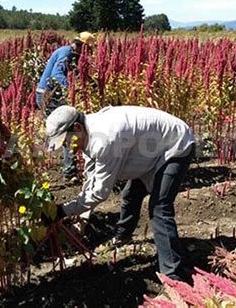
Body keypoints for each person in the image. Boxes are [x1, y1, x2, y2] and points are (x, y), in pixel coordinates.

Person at [45, 105, 196, 282]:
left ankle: (173, 275)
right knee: (130, 195)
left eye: (65, 141)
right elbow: (91, 178)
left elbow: (100, 192)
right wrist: (83, 217)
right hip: (149, 152)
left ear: (76, 128)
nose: (67, 147)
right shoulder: (88, 133)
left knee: (159, 209)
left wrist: (62, 211)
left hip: (175, 146)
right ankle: (122, 236)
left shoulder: (104, 139)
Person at [36, 31, 96, 181]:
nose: (87, 54)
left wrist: (91, 82)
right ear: (81, 46)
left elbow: (77, 71)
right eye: (87, 50)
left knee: (64, 131)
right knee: (66, 130)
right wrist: (72, 88)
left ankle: (61, 165)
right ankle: (68, 170)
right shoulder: (66, 52)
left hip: (52, 94)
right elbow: (57, 74)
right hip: (48, 95)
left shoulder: (71, 55)